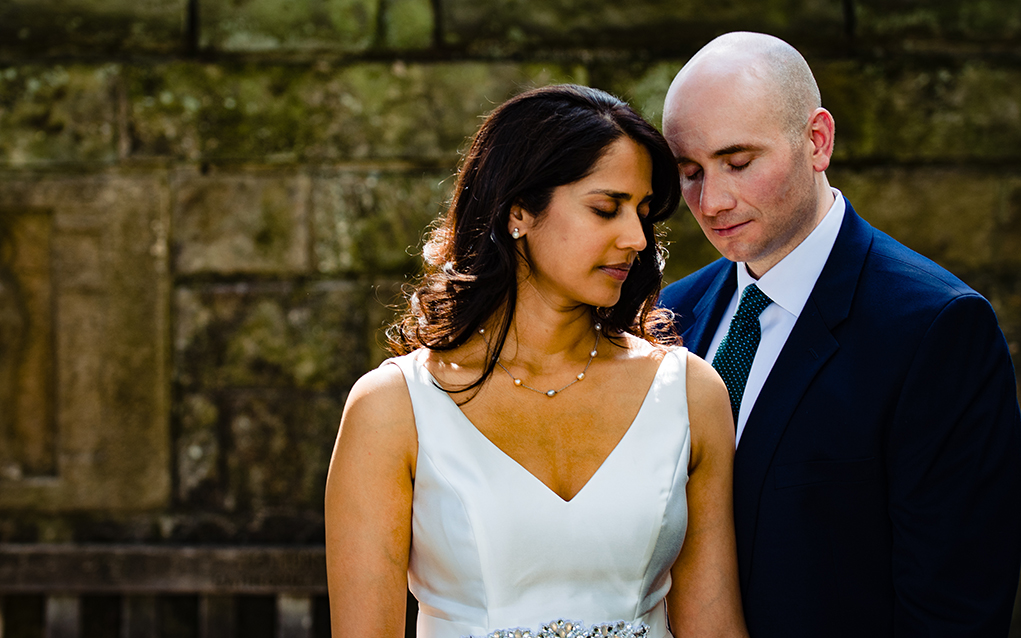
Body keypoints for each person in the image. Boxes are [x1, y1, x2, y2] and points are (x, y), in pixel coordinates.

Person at [325, 84, 748, 638]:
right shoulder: (392, 409)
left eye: (644, 213)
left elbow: (714, 626)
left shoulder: (691, 394)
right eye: (606, 208)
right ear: (518, 211)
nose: (637, 238)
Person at [658, 31, 1021, 636]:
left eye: (739, 163)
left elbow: (955, 606)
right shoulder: (672, 312)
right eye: (689, 172)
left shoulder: (938, 328)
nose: (712, 200)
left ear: (817, 141)